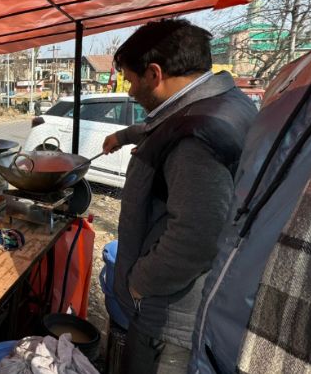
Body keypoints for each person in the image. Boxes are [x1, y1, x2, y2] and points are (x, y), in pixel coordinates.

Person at [190, 0, 311, 372]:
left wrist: (141, 284)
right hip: (217, 345)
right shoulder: (299, 74)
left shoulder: (201, 125)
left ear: (154, 73)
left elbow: (193, 227)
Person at [101, 19, 257, 373]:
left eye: (130, 79)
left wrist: (139, 282)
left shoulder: (195, 141)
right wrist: (126, 135)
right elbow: (170, 121)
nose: (128, 90)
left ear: (154, 74)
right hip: (204, 299)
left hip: (171, 316)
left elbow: (196, 238)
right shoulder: (226, 102)